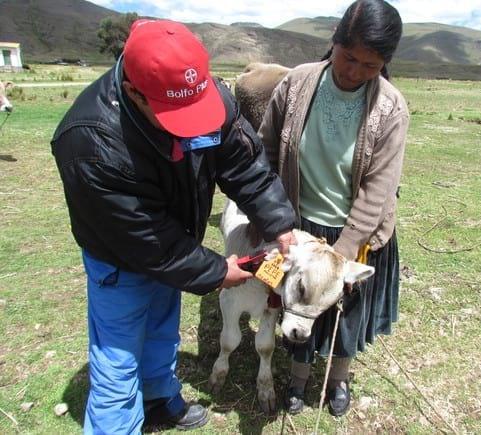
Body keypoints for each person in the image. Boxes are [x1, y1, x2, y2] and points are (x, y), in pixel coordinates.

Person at [51, 19, 296, 434]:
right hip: (121, 259)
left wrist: (281, 226)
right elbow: (145, 241)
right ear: (133, 91)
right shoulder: (90, 143)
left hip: (178, 243)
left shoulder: (210, 98)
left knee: (163, 331)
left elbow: (245, 166)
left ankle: (160, 400)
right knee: (118, 358)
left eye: (197, 109)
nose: (194, 126)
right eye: (176, 115)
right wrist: (219, 272)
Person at [258, 0, 408, 417]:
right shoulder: (297, 83)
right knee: (299, 300)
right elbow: (266, 151)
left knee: (345, 313)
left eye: (370, 65)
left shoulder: (391, 109)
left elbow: (378, 190)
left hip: (355, 234)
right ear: (334, 42)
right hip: (299, 223)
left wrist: (340, 257)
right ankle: (299, 377)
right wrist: (272, 217)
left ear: (385, 64)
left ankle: (338, 378)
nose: (354, 72)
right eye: (348, 57)